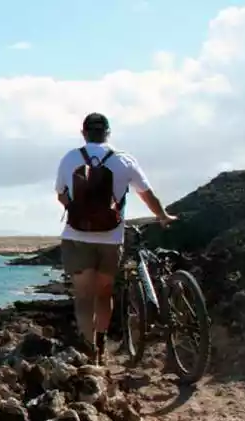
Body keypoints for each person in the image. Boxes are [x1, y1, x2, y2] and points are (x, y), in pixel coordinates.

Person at [54, 112, 176, 365]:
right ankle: (101, 341)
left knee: (84, 296)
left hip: (77, 237)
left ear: (83, 133)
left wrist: (77, 208)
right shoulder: (123, 159)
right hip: (111, 238)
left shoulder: (70, 158)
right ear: (108, 133)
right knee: (103, 293)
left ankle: (90, 353)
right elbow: (146, 193)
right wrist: (162, 215)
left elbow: (61, 194)